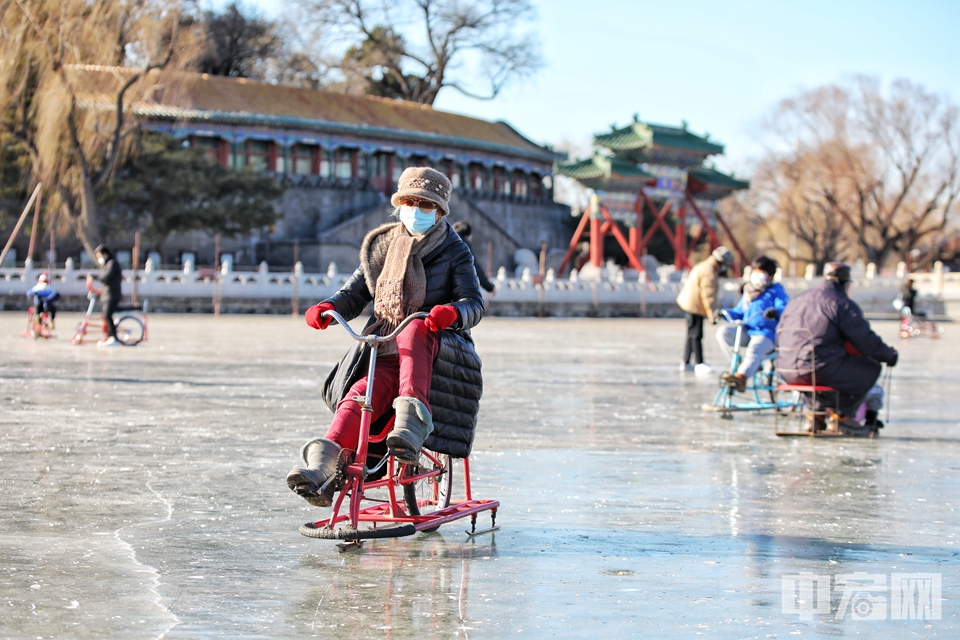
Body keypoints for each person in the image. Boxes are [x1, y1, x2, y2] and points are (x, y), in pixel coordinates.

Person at [286, 167, 485, 507]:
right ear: (398, 204)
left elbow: (474, 304)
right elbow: (355, 293)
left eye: (425, 205)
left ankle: (412, 425)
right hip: (387, 348)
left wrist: (452, 313)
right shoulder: (381, 247)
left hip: (438, 351)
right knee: (359, 396)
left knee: (413, 326)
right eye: (409, 202)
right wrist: (327, 308)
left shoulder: (455, 250)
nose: (416, 211)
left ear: (439, 211)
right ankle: (321, 469)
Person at [776, 261, 898, 435]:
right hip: (819, 367)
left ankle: (816, 415)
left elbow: (779, 334)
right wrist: (888, 355)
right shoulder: (841, 303)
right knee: (869, 368)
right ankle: (842, 417)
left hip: (785, 366)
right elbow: (864, 340)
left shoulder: (797, 300)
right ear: (845, 283)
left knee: (816, 371)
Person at [716, 256, 789, 392]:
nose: (756, 276)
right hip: (748, 330)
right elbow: (739, 312)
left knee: (755, 348)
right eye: (755, 272)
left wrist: (775, 312)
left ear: (770, 275)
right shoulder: (750, 292)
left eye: (760, 272)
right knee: (723, 333)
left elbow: (785, 308)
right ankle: (737, 364)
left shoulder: (776, 291)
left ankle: (741, 377)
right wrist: (723, 313)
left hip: (766, 334)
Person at [676, 246, 735, 375]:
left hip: (690, 302)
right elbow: (709, 297)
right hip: (694, 304)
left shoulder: (706, 266)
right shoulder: (709, 272)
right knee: (696, 334)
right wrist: (713, 316)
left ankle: (686, 362)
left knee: (691, 334)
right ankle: (699, 362)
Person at [86, 245, 123, 347]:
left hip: (112, 295)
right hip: (107, 294)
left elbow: (107, 278)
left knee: (108, 315)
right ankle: (108, 336)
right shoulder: (108, 264)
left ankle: (114, 337)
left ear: (105, 254)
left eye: (99, 256)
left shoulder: (113, 263)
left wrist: (95, 277)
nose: (99, 259)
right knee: (105, 316)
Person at [452, 220, 496, 294]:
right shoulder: (464, 246)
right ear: (467, 236)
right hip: (458, 292)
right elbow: (476, 269)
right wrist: (490, 287)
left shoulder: (446, 243)